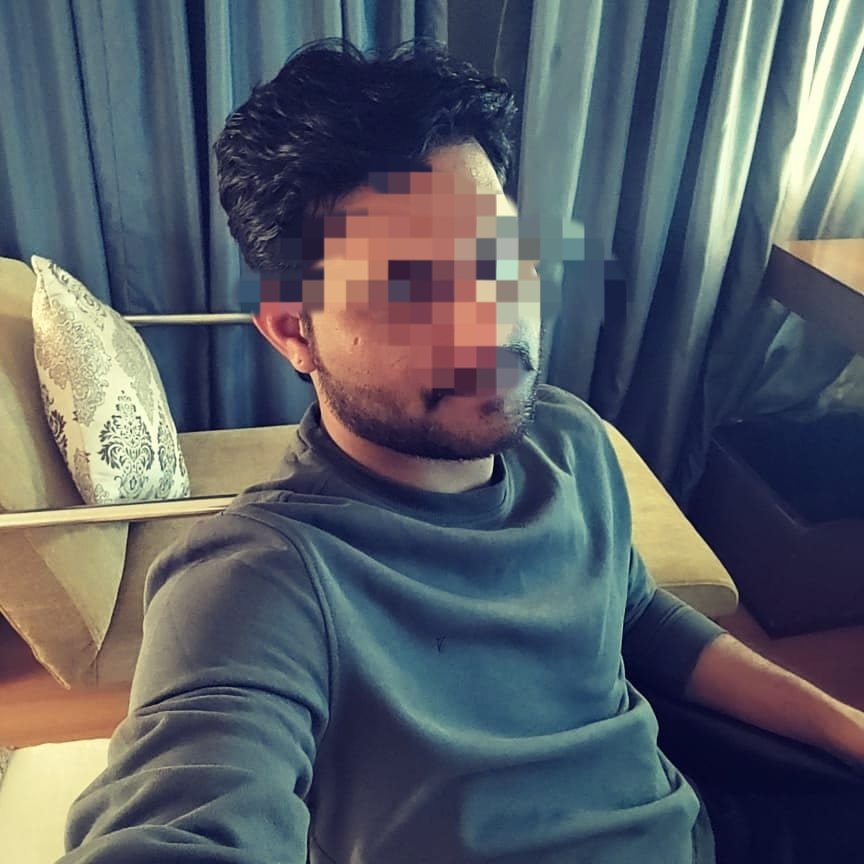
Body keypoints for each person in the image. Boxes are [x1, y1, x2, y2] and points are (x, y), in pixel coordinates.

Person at [59, 38, 864, 864]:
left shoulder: (571, 440)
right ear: (295, 330)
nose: (489, 323)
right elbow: (182, 809)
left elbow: (636, 617)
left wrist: (845, 727)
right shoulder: (260, 582)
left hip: (699, 829)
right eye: (409, 286)